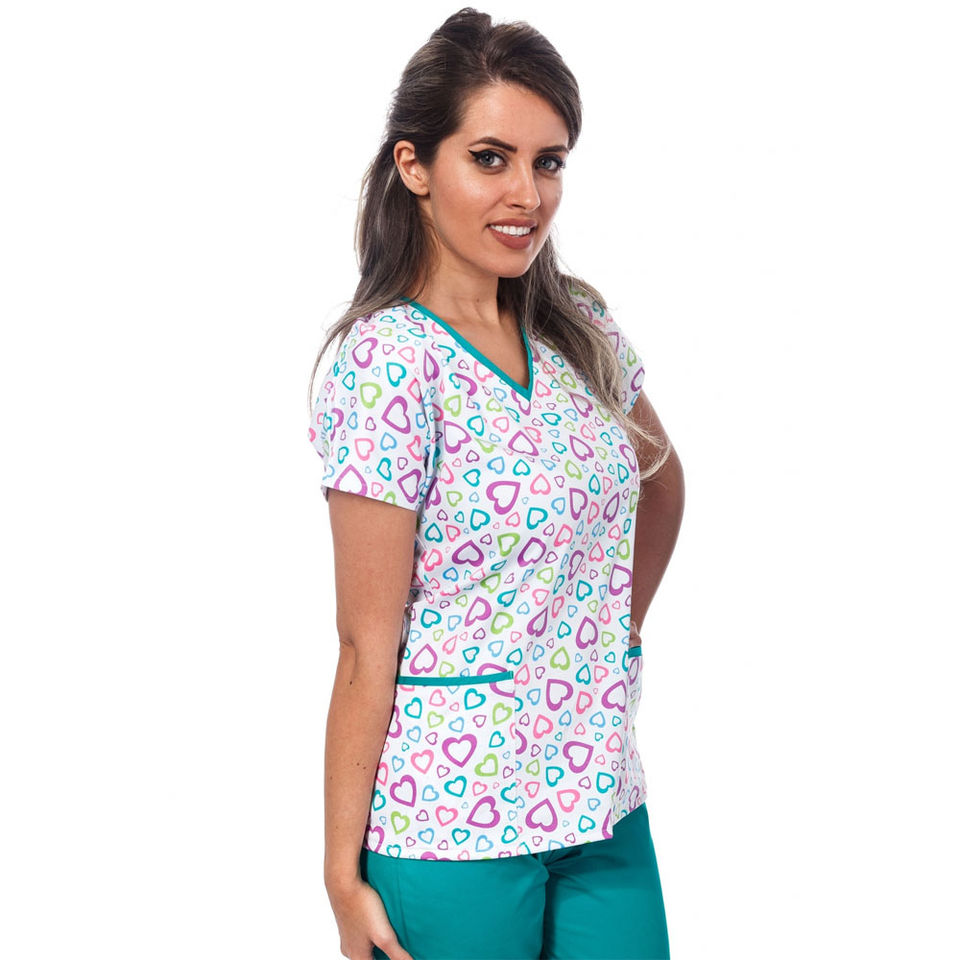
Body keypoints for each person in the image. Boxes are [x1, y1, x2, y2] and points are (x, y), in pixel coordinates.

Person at [306, 8, 684, 959]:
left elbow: (662, 481)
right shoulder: (387, 363)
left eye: (548, 162)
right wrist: (341, 875)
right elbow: (363, 644)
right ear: (414, 166)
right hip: (449, 818)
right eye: (490, 158)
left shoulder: (578, 324)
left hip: (600, 794)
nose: (527, 194)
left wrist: (613, 632)